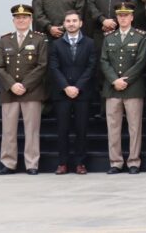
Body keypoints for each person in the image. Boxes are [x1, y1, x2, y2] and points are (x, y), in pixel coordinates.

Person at [0, 4, 48, 176]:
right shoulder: (5, 40)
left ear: (31, 19)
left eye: (25, 17)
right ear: (13, 20)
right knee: (8, 130)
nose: (21, 20)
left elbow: (42, 65)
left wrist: (24, 85)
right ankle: (8, 163)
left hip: (31, 91)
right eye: (18, 18)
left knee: (31, 130)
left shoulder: (39, 39)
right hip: (9, 92)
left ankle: (31, 163)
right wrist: (12, 85)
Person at [99, 2, 146, 175]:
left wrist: (125, 80)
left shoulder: (140, 37)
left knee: (135, 127)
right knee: (113, 126)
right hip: (112, 88)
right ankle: (116, 162)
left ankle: (134, 161)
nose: (123, 18)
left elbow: (141, 61)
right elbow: (104, 61)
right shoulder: (109, 37)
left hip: (133, 88)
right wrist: (114, 80)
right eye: (120, 15)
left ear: (132, 17)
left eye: (126, 15)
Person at [49, 10, 95, 175]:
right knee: (63, 129)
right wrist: (66, 87)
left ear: (81, 23)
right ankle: (62, 163)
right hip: (62, 94)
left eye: (74, 20)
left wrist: (78, 87)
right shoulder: (56, 44)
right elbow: (53, 68)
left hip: (82, 93)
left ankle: (80, 164)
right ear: (64, 24)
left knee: (81, 129)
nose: (71, 23)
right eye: (68, 21)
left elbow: (91, 67)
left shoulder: (89, 43)